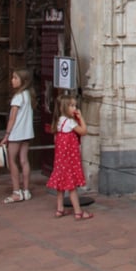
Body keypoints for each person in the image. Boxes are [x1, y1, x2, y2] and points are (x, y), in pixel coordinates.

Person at [46, 92, 93, 220]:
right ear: (64, 107)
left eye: (75, 106)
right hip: (70, 160)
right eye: (72, 106)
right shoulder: (70, 122)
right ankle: (78, 211)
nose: (75, 108)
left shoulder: (59, 121)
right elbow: (83, 131)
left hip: (60, 161)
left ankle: (60, 209)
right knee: (71, 187)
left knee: (60, 185)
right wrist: (81, 117)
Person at [0, 68, 35, 203]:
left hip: (16, 133)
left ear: (23, 81)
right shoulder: (28, 95)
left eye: (15, 78)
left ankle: (16, 191)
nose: (12, 80)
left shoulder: (18, 97)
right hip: (26, 133)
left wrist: (6, 135)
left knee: (12, 161)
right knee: (24, 160)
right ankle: (26, 190)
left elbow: (12, 118)